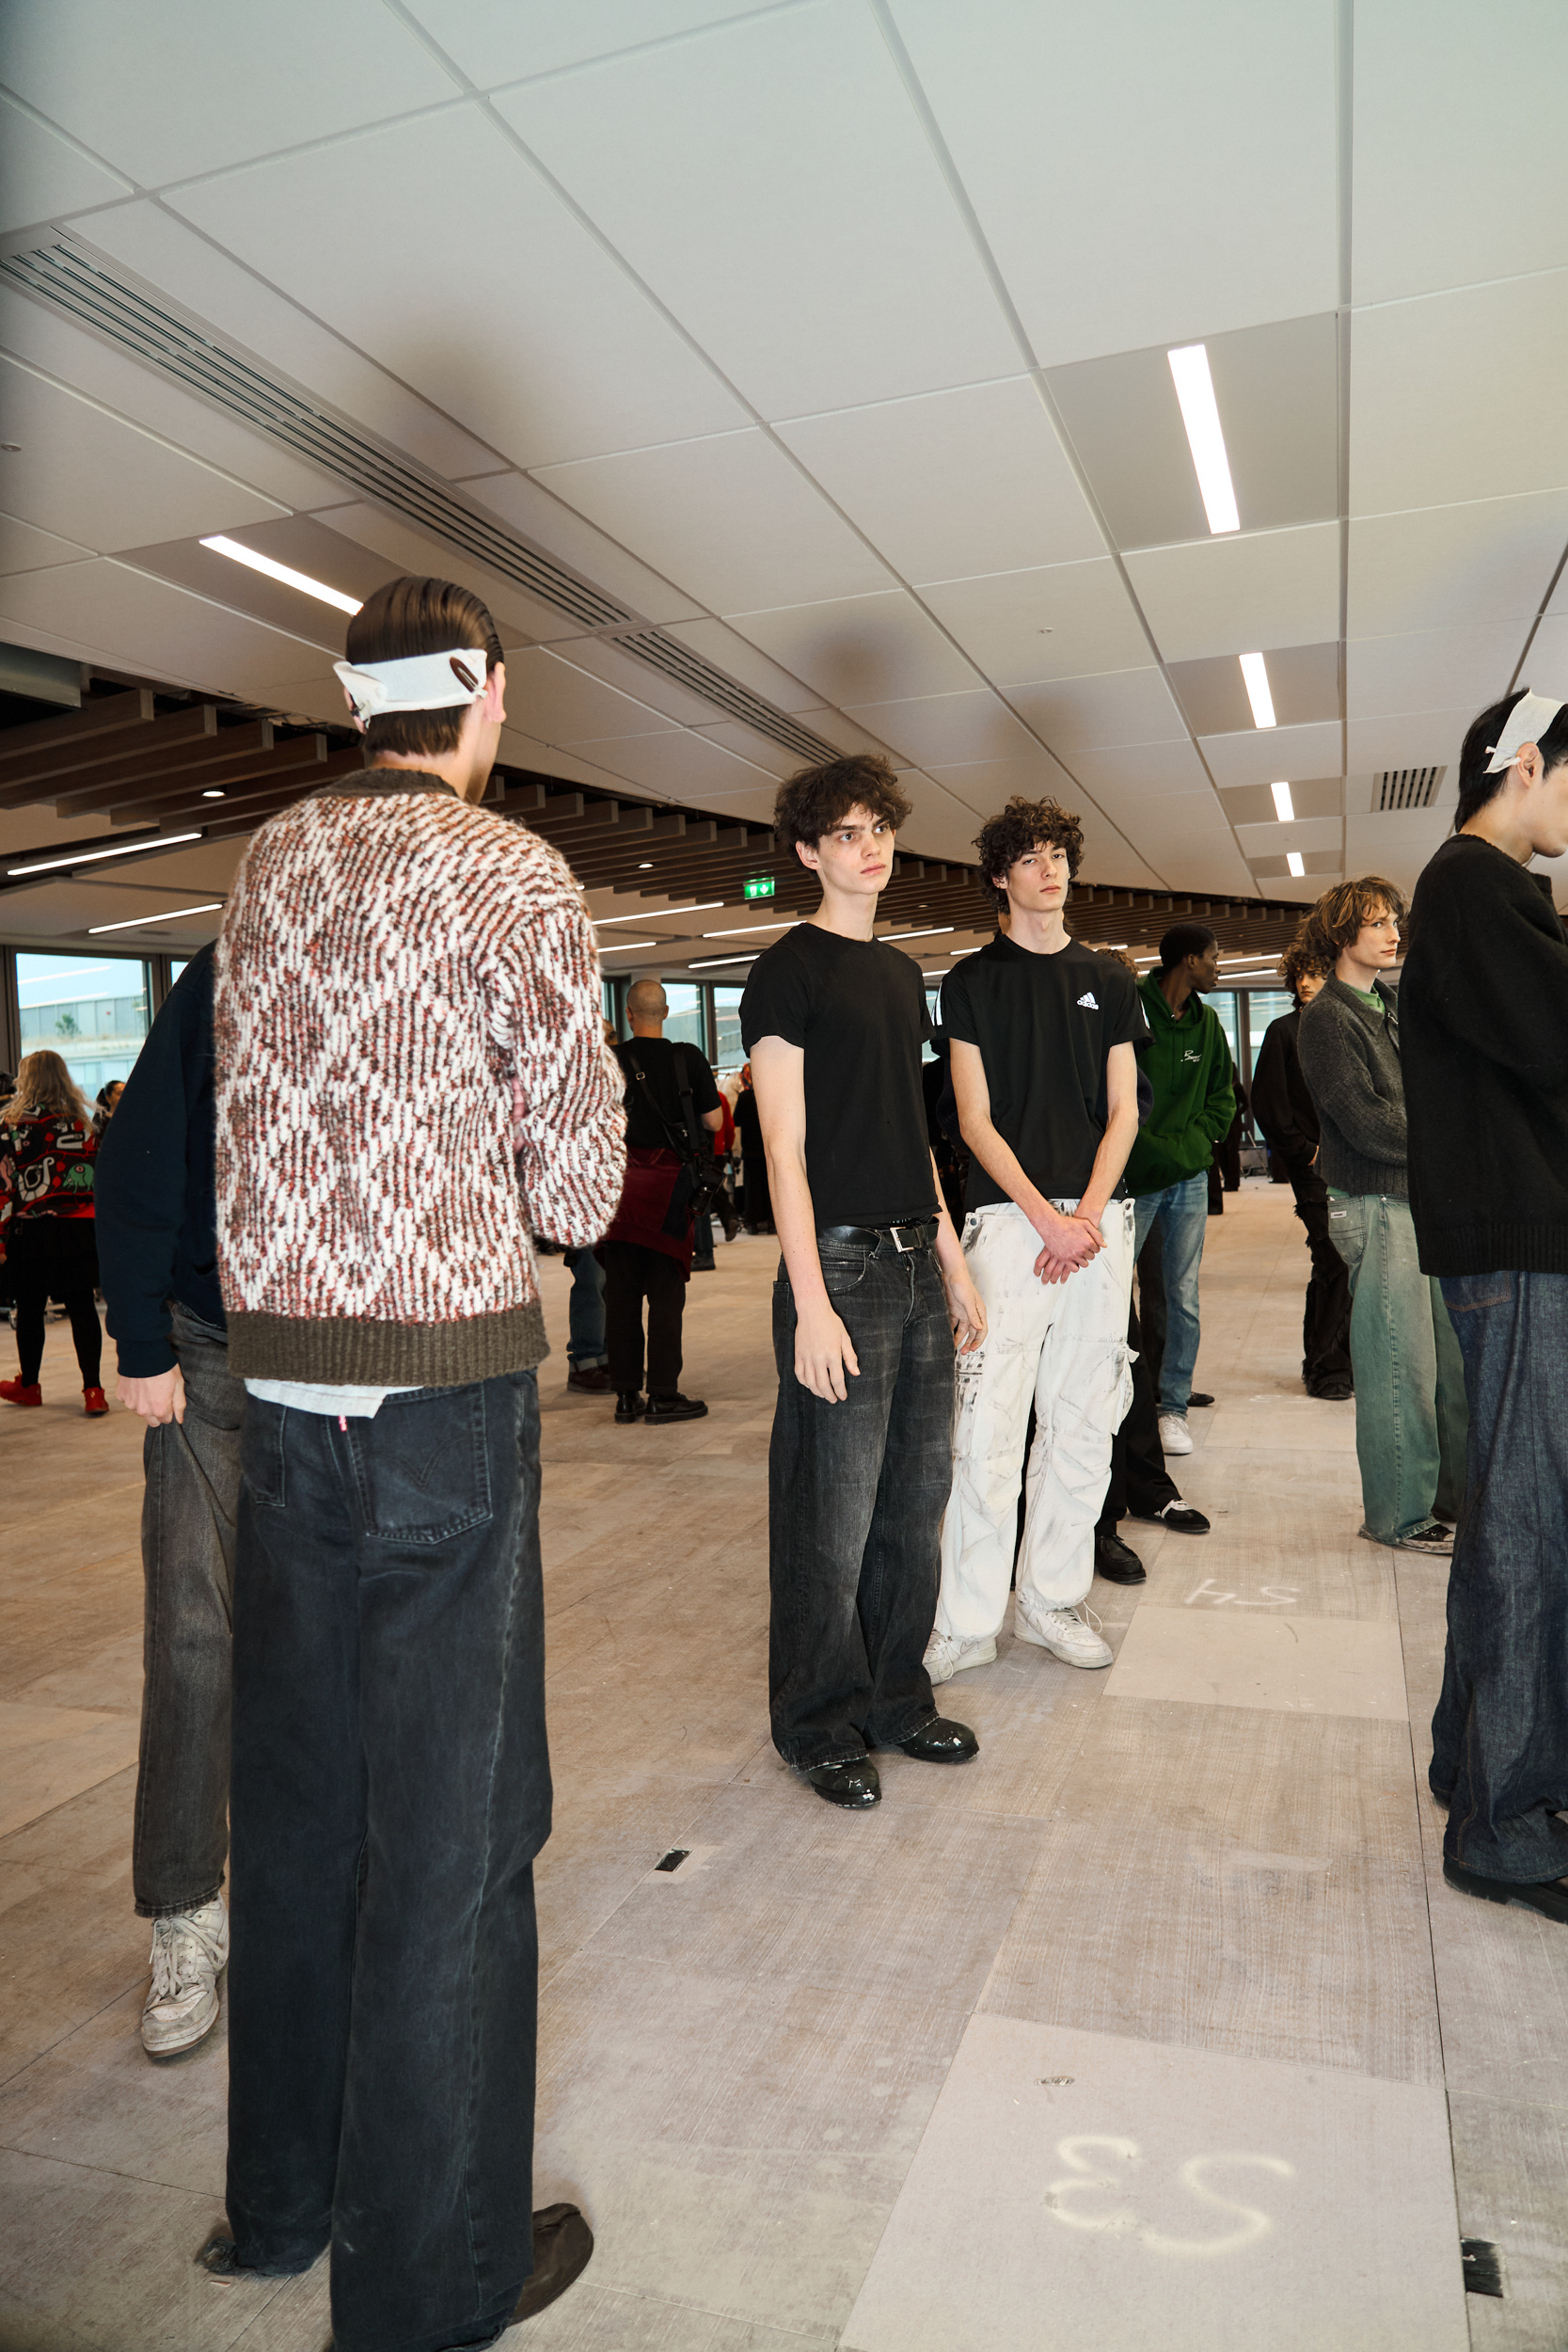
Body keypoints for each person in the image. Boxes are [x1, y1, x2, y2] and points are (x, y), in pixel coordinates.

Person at [206, 575, 622, 2350]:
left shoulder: (261, 866)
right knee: (456, 1842)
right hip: (444, 1403)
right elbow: (586, 1191)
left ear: (349, 698)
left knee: (301, 1823)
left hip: (276, 1403)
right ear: (487, 695)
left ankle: (281, 2208)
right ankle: (429, 2286)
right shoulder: (511, 871)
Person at [742, 754, 987, 1810]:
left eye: (878, 827)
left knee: (911, 1502)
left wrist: (950, 1259)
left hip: (911, 1261)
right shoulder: (783, 971)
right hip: (835, 1263)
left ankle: (894, 1693)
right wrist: (807, 1299)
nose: (868, 846)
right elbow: (783, 1149)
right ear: (807, 852)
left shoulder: (897, 975)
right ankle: (813, 1719)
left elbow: (910, 1133)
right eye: (844, 833)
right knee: (826, 1516)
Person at [1401, 688, 1568, 1915]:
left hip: (1509, 1245)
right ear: (1522, 763)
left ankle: (1473, 1757)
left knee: (1509, 1528)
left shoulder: (1487, 891)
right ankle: (1500, 1825)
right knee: (1524, 1535)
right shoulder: (1469, 883)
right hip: (1515, 1251)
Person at [923, 796, 1143, 1683]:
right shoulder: (971, 983)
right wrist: (1046, 1220)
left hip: (1097, 1226)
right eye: (1030, 857)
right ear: (1000, 878)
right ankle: (968, 1619)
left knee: (1085, 1420)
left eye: (1059, 854)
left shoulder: (1112, 978)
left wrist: (1083, 1217)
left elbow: (1124, 1110)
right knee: (985, 1425)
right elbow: (972, 1121)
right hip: (1008, 1229)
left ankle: (1051, 1599)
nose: (1050, 869)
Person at [94, 946, 240, 2057]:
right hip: (213, 1346)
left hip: (359, 1359)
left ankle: (321, 1894)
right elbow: (143, 1154)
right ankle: (186, 1911)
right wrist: (139, 1339)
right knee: (195, 1635)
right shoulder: (226, 960)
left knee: (351, 1641)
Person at [1296, 877, 1465, 1555]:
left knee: (1445, 1365)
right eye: (1375, 922)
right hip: (1374, 1201)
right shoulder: (1328, 1019)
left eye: (1393, 919)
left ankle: (1447, 1499)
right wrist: (1447, 1142)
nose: (1393, 931)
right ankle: (1396, 1515)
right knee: (1401, 1367)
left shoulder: (1388, 1004)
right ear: (1342, 935)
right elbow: (1368, 1124)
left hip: (1418, 1201)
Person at [1122, 926, 1235, 1455]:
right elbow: (1114, 1095)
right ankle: (1125, 1397)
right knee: (1119, 1293)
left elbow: (1222, 1100)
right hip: (1133, 1178)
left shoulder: (1209, 1024)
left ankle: (1173, 1406)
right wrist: (1150, 1150)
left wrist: (1187, 1148)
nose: (1219, 968)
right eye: (1213, 959)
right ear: (1188, 962)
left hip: (1187, 1177)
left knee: (1179, 1294)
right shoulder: (1132, 1010)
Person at [599, 977, 721, 1422]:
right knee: (666, 1295)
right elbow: (711, 1121)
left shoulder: (608, 1060)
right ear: (665, 1013)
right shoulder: (687, 1057)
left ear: (629, 1015)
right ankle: (664, 1393)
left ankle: (626, 1395)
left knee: (622, 1294)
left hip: (619, 1194)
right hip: (669, 1190)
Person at [1250, 937, 1354, 1401]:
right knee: (1331, 1258)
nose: (1307, 983)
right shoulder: (1283, 1030)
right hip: (1313, 1166)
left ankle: (1344, 1362)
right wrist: (1305, 1152)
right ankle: (1325, 1368)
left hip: (1355, 1163)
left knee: (1348, 1263)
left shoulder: (1343, 1024)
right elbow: (1268, 1103)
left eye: (1315, 974)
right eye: (1300, 976)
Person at [0, 1050, 106, 1415]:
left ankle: (29, 1384)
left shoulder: (13, 1126)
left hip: (32, 1234)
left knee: (29, 1308)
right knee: (82, 1308)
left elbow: (5, 1188)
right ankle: (93, 1390)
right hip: (79, 1230)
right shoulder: (85, 1124)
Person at [732, 1064, 772, 1232]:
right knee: (770, 1186)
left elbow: (736, 1120)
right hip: (769, 1149)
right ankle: (771, 1222)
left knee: (752, 1187)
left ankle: (752, 1223)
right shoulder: (771, 1097)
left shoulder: (744, 1097)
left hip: (750, 1149)